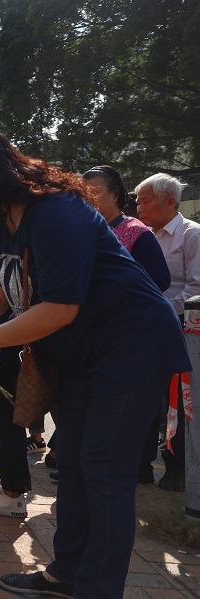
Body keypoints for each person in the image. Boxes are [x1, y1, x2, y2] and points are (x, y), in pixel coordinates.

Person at [0, 126, 190, 598]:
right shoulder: (4, 223)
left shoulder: (54, 211)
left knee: (103, 470)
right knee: (70, 462)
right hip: (83, 353)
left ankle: (97, 587)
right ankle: (66, 574)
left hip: (131, 346)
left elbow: (61, 308)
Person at [84, 165, 171, 484]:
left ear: (116, 194)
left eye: (96, 193)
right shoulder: (85, 233)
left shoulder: (136, 232)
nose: (89, 200)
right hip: (98, 336)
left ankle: (140, 469)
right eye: (85, 195)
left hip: (134, 335)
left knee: (136, 408)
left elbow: (160, 279)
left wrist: (117, 295)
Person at [134, 172, 200, 492]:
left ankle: (176, 468)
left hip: (183, 329)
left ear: (169, 201)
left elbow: (196, 288)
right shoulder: (144, 236)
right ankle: (141, 466)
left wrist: (158, 312)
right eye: (137, 201)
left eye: (145, 201)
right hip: (147, 329)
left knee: (178, 399)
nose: (138, 207)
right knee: (144, 397)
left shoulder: (192, 234)